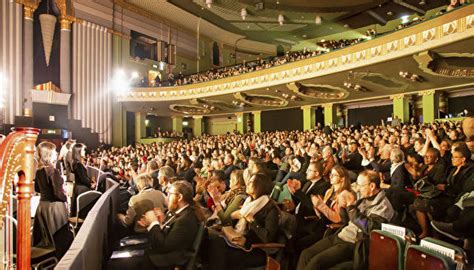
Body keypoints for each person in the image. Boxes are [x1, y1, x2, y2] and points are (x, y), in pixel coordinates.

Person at [297, 170, 395, 270]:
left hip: (353, 243)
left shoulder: (383, 207)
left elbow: (368, 227)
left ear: (372, 186)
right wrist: (343, 207)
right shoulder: (363, 198)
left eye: (360, 185)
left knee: (316, 263)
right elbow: (346, 220)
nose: (358, 188)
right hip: (341, 234)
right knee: (306, 254)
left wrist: (351, 207)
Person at [207, 173, 279, 270]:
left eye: (251, 182)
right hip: (241, 241)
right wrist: (232, 216)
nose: (247, 184)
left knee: (218, 247)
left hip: (255, 250)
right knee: (212, 241)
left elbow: (267, 238)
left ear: (261, 185)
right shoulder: (249, 202)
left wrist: (252, 221)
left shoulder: (270, 208)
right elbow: (226, 220)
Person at [138, 181, 204, 269]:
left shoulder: (186, 219)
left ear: (179, 197)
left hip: (169, 261)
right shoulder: (179, 212)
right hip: (166, 254)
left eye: (169, 194)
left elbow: (164, 246)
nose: (167, 197)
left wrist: (154, 223)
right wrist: (160, 223)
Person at [33, 142, 69, 249]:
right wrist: (65, 196)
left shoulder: (39, 170)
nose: (57, 153)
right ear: (48, 154)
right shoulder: (52, 171)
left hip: (42, 207)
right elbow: (58, 194)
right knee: (59, 239)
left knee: (47, 240)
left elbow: (37, 189)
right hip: (54, 208)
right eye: (54, 151)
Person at [70, 143, 92, 217]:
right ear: (78, 151)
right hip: (82, 188)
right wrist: (91, 184)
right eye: (83, 150)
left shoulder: (76, 163)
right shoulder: (78, 164)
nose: (84, 152)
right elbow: (83, 179)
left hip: (78, 188)